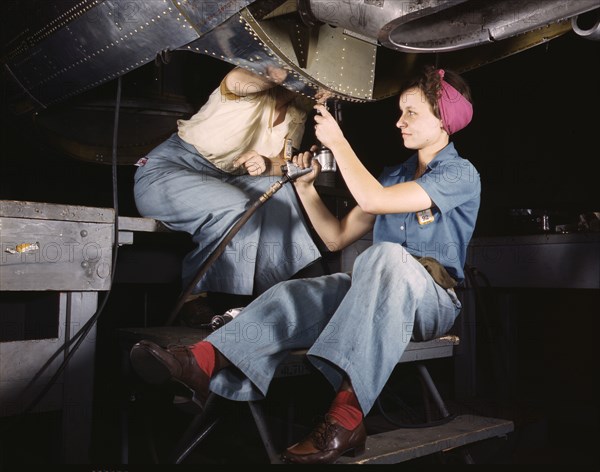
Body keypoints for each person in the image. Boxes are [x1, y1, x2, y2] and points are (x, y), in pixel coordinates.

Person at [129, 65, 480, 464]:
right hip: (376, 289)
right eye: (399, 111)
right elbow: (335, 237)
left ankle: (346, 417)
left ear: (444, 121)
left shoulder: (460, 174)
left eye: (411, 113)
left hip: (431, 302)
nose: (399, 122)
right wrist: (305, 187)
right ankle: (200, 362)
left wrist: (339, 143)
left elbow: (373, 202)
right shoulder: (392, 174)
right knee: (297, 292)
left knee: (384, 256)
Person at [132, 65, 322, 323]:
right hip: (170, 171)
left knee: (280, 193)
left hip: (226, 179)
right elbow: (235, 82)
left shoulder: (299, 107)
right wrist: (276, 74)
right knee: (235, 206)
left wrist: (267, 164)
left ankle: (276, 299)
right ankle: (194, 300)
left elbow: (283, 162)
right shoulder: (248, 82)